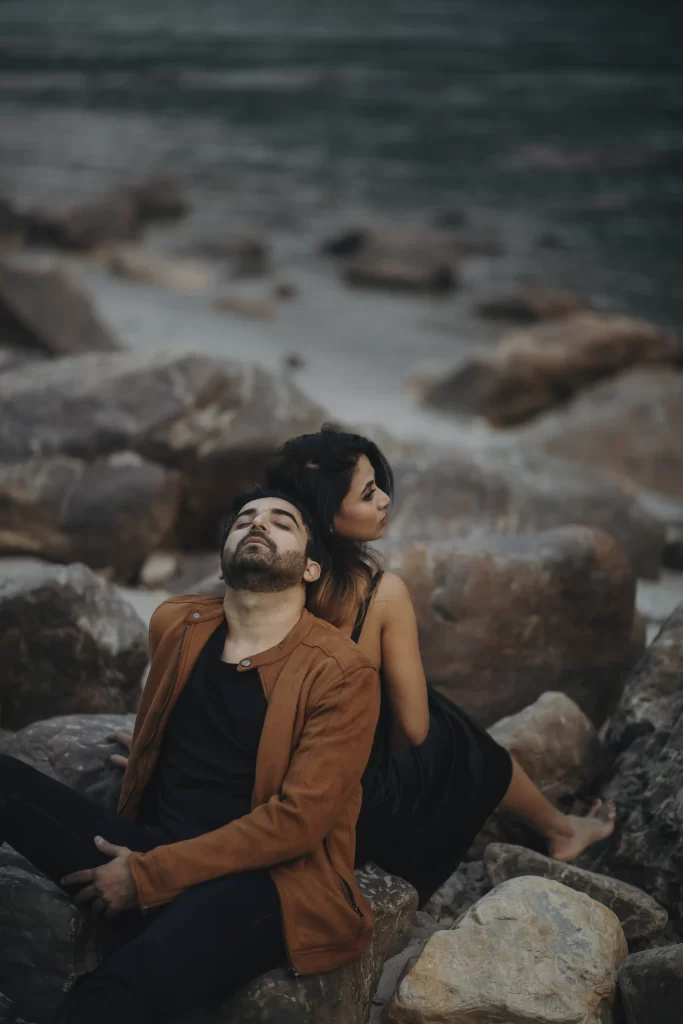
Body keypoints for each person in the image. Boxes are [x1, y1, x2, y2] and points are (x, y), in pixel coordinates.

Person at [0, 487, 380, 1024]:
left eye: (281, 522)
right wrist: (156, 747)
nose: (258, 524)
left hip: (268, 885)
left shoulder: (340, 672)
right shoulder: (177, 624)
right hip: (152, 846)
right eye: (245, 519)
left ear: (311, 570)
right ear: (222, 567)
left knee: (117, 989)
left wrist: (149, 877)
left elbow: (298, 824)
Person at [263, 425, 616, 905]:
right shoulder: (380, 594)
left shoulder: (255, 577)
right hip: (341, 810)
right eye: (369, 495)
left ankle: (558, 826)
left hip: (259, 781)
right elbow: (412, 731)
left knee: (428, 709)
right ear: (327, 517)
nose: (386, 499)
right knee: (447, 732)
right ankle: (561, 828)